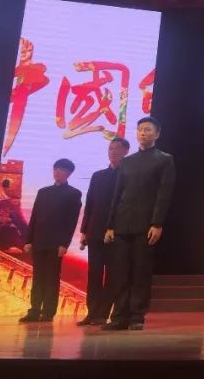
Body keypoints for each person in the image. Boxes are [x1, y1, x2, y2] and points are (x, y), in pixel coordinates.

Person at [102, 117, 176, 331]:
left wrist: (157, 223)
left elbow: (164, 194)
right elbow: (117, 195)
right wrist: (110, 225)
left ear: (157, 134)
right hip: (122, 223)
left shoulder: (164, 160)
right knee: (120, 272)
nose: (143, 133)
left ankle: (136, 316)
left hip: (146, 225)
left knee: (140, 272)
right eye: (140, 129)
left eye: (148, 129)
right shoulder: (127, 161)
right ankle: (118, 316)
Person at [19, 158, 82, 323]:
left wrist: (64, 244)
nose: (57, 172)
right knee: (38, 277)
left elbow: (71, 221)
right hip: (39, 240)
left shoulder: (73, 194)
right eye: (55, 169)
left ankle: (48, 312)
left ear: (69, 173)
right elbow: (34, 217)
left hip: (56, 243)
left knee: (52, 278)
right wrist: (28, 240)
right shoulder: (43, 192)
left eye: (61, 169)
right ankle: (34, 310)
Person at [77, 137, 130, 326]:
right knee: (94, 274)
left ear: (126, 151)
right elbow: (90, 203)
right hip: (95, 232)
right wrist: (84, 231)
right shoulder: (98, 175)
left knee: (113, 275)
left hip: (118, 233)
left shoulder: (129, 175)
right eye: (110, 148)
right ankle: (92, 313)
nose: (113, 152)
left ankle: (103, 313)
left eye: (117, 148)